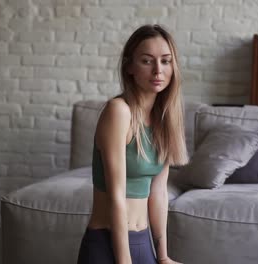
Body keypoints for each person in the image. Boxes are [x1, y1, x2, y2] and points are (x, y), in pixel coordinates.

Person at [77, 24, 188, 264]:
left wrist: (163, 256)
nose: (158, 70)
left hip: (142, 243)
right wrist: (124, 261)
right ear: (129, 67)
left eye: (166, 61)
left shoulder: (164, 120)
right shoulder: (119, 112)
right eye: (147, 61)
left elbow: (158, 194)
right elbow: (117, 196)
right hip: (108, 245)